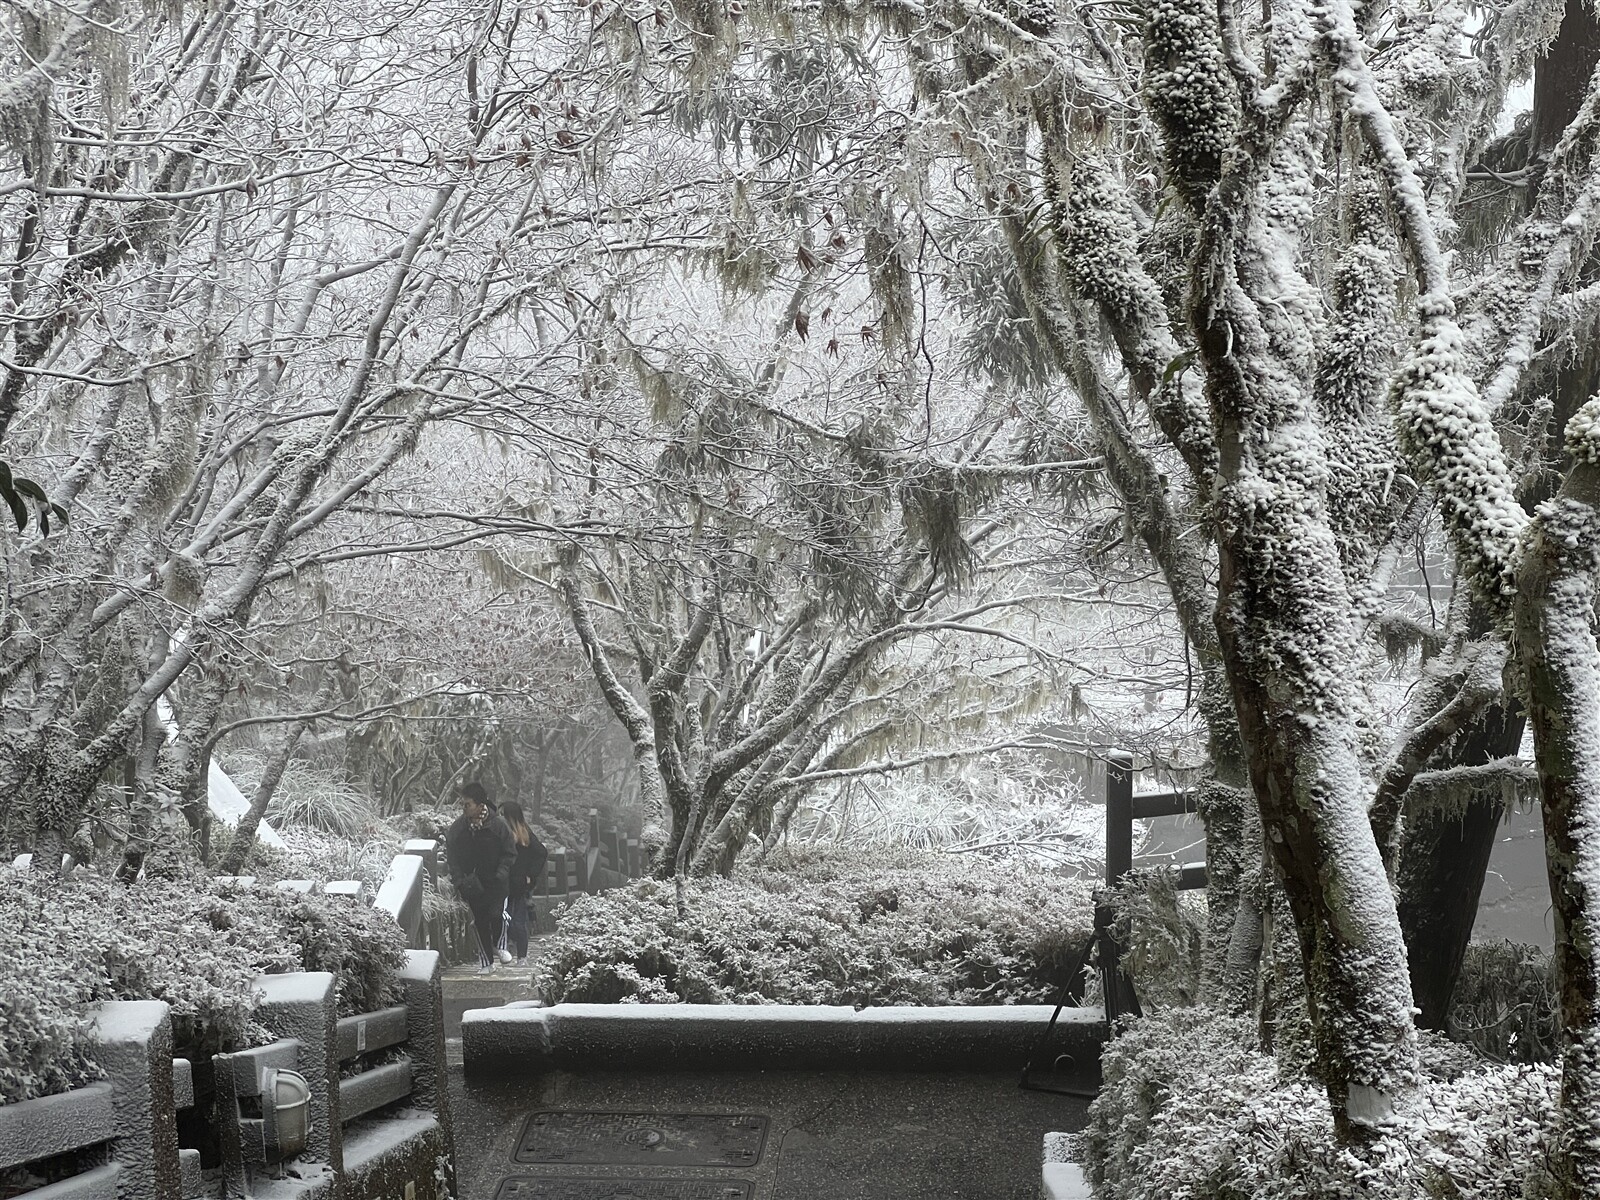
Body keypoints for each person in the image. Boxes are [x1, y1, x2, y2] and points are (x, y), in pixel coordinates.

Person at [445, 782, 516, 974]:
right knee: (480, 922)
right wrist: (459, 880)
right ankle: (486, 963)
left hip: (497, 882)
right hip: (472, 884)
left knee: (497, 914)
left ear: (479, 804)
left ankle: (501, 945)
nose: (464, 808)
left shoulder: (498, 825)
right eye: (463, 804)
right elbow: (452, 856)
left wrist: (501, 872)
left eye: (467, 804)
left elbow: (510, 853)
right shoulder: (459, 828)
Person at [498, 801, 548, 968]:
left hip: (518, 884)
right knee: (502, 919)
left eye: (502, 814)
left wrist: (530, 875)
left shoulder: (524, 833)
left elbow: (541, 852)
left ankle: (522, 956)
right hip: (502, 882)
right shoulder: (501, 832)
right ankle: (506, 949)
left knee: (518, 920)